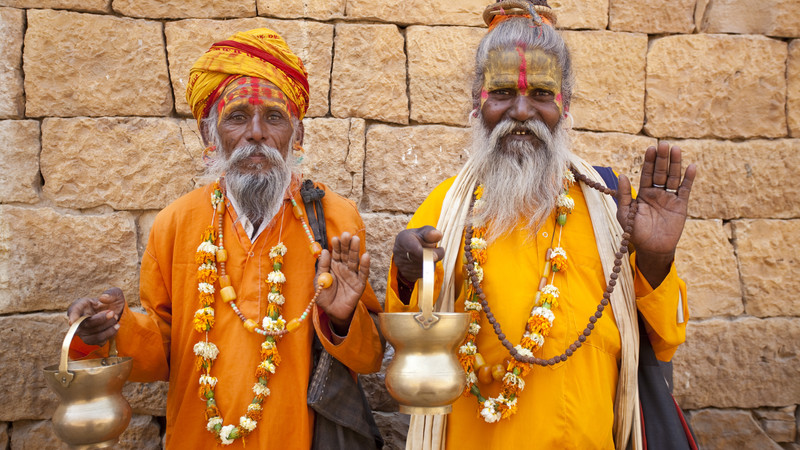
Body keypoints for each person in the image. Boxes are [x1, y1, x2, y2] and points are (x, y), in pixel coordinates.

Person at [386, 1, 697, 449]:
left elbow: (665, 342)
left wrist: (655, 256)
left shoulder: (608, 208)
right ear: (478, 101)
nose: (521, 111)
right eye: (502, 92)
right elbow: (408, 346)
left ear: (565, 105)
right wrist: (409, 272)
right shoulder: (446, 206)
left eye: (542, 94)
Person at [67, 28, 384, 449]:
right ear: (208, 134)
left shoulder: (333, 218)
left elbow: (370, 357)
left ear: (298, 135)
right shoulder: (176, 223)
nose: (256, 133)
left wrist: (343, 321)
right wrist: (110, 332)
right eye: (237, 117)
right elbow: (164, 349)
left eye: (274, 117)